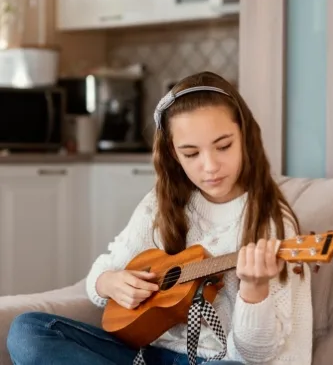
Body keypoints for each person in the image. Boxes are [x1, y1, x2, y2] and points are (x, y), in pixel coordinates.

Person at [7, 71, 312, 365]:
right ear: (173, 153)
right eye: (191, 153)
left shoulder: (271, 222)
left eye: (223, 146)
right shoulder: (161, 204)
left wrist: (255, 289)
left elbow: (256, 355)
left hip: (221, 360)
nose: (210, 166)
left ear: (245, 136)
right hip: (148, 356)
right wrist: (109, 282)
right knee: (27, 332)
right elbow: (102, 271)